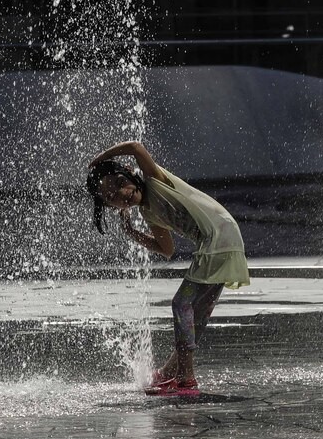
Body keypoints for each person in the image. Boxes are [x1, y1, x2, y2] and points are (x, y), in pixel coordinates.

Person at [85, 140, 250, 396]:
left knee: (180, 304)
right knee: (196, 314)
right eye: (112, 197)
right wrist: (132, 232)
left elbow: (136, 147)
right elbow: (166, 249)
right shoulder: (150, 213)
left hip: (217, 238)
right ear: (111, 207)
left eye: (120, 183)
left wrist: (100, 158)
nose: (123, 193)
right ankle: (167, 374)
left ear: (129, 172)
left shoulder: (154, 180)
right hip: (225, 238)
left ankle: (186, 378)